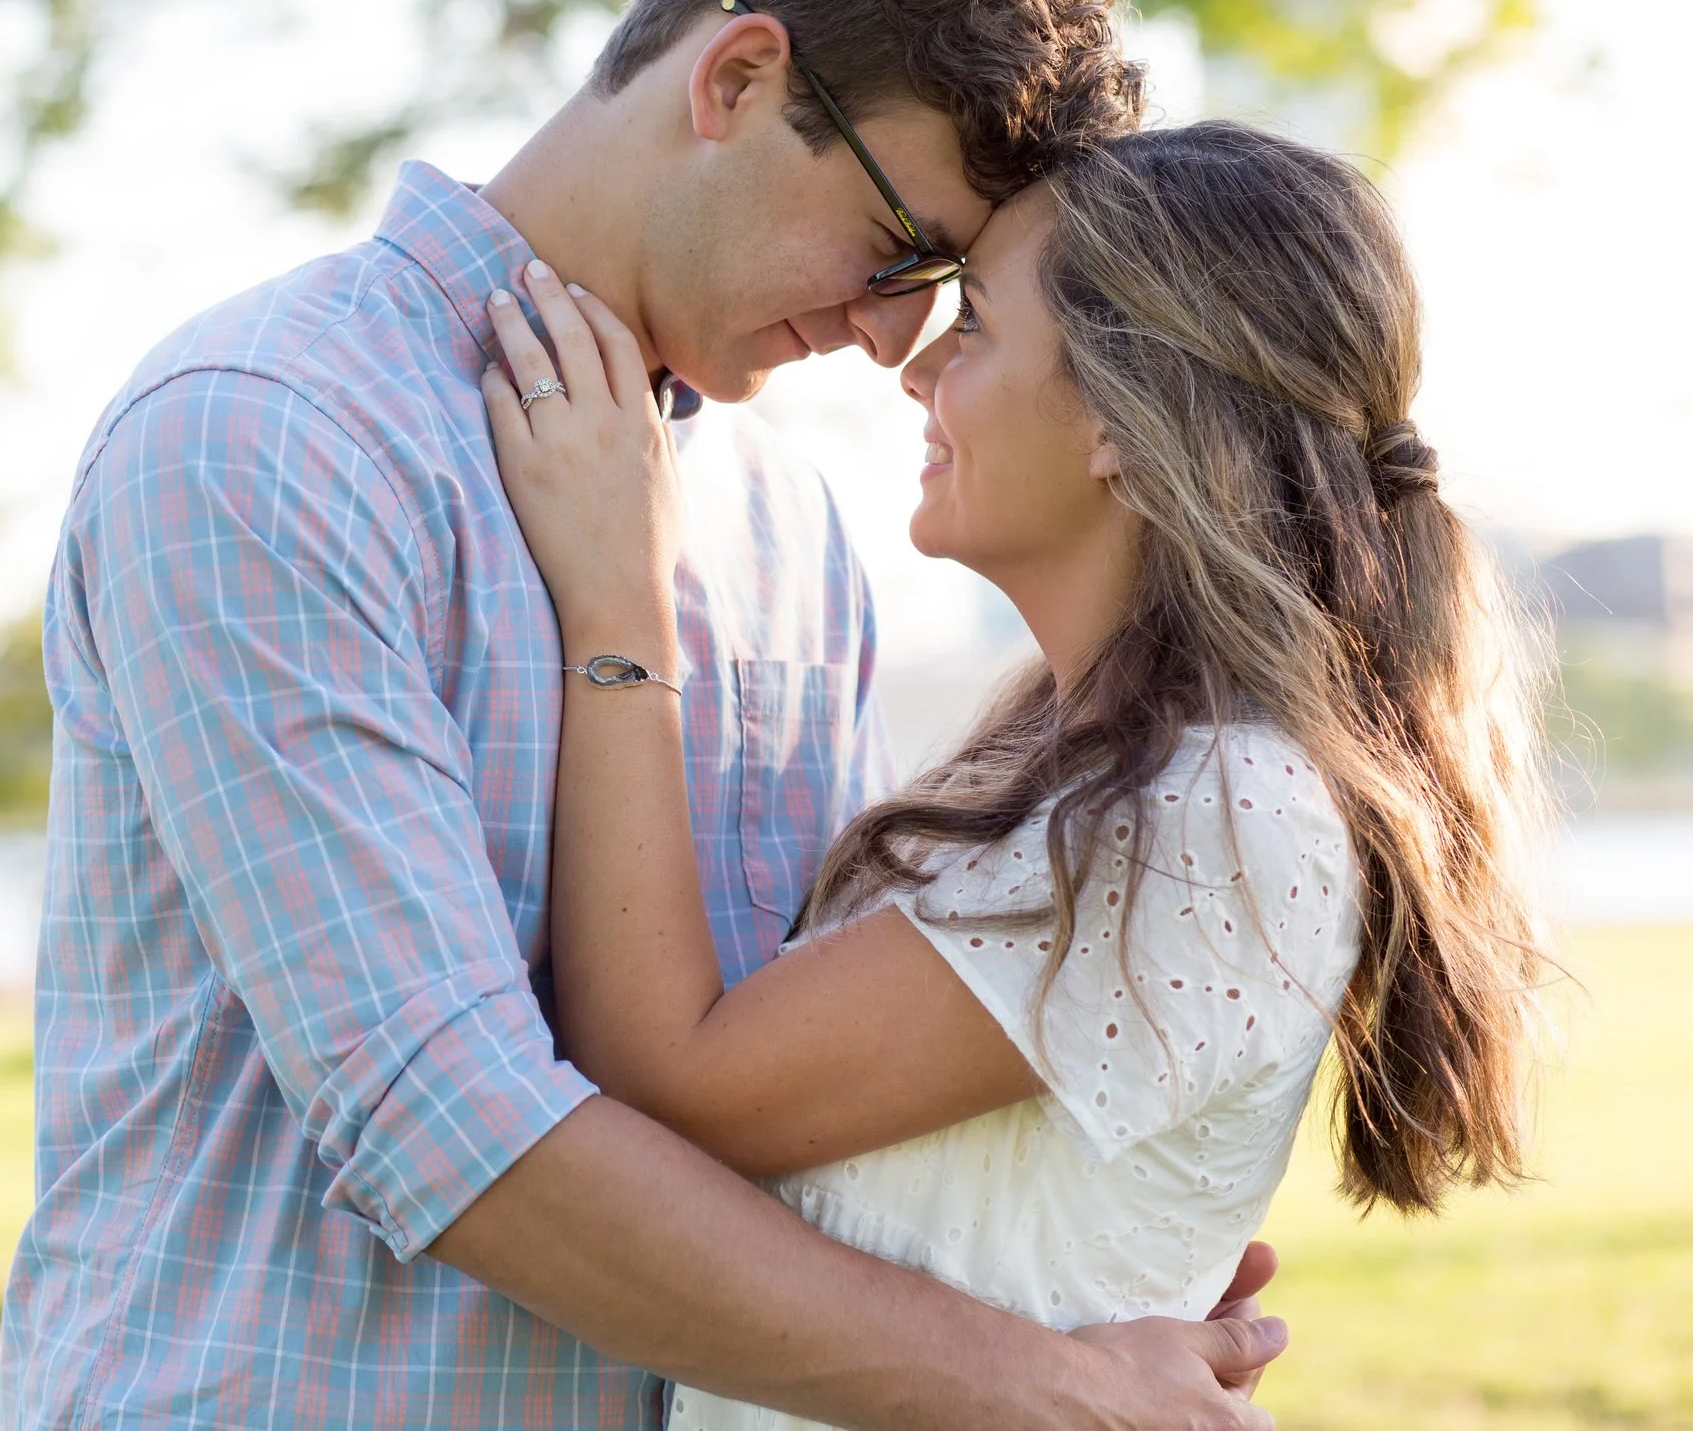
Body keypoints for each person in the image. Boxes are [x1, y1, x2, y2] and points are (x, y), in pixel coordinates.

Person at [4, 0, 1289, 1431]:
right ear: (735, 79)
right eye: (897, 245)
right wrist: (1049, 1388)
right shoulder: (265, 436)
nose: (893, 340)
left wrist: (1084, 1267)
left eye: (942, 288)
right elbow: (441, 1119)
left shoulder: (791, 527)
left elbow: (783, 1098)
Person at [480, 120, 1554, 1431]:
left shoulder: (1219, 812)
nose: (918, 369)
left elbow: (669, 1084)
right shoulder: (1100, 770)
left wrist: (618, 601)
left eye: (976, 322)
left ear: (1116, 419)